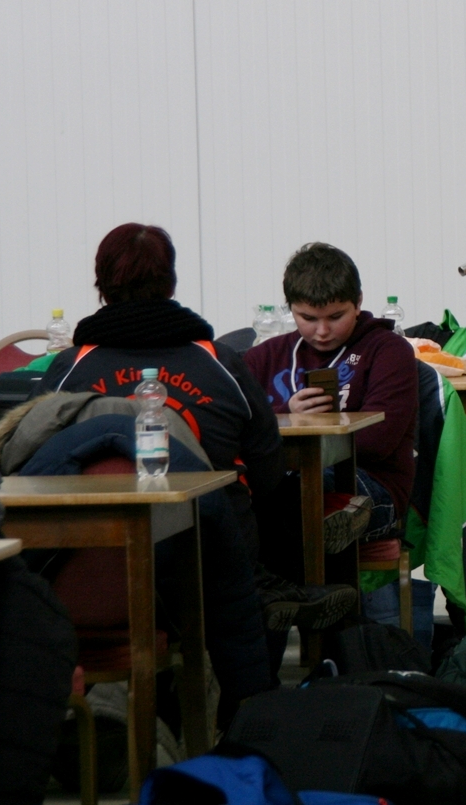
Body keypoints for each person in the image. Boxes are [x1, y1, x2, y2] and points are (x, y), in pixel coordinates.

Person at [41, 223, 358, 634]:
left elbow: (30, 461)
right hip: (212, 562)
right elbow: (268, 471)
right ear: (171, 283)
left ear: (101, 287)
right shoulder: (219, 362)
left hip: (89, 570)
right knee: (267, 509)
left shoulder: (68, 369)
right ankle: (267, 608)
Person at [243, 242, 419, 560]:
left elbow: (377, 441)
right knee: (238, 492)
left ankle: (300, 554)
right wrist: (286, 413)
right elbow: (236, 429)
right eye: (308, 318)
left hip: (371, 483)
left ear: (358, 302)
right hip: (284, 479)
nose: (322, 331)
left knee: (296, 491)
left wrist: (292, 428)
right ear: (290, 308)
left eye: (336, 317)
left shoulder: (389, 351)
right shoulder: (262, 357)